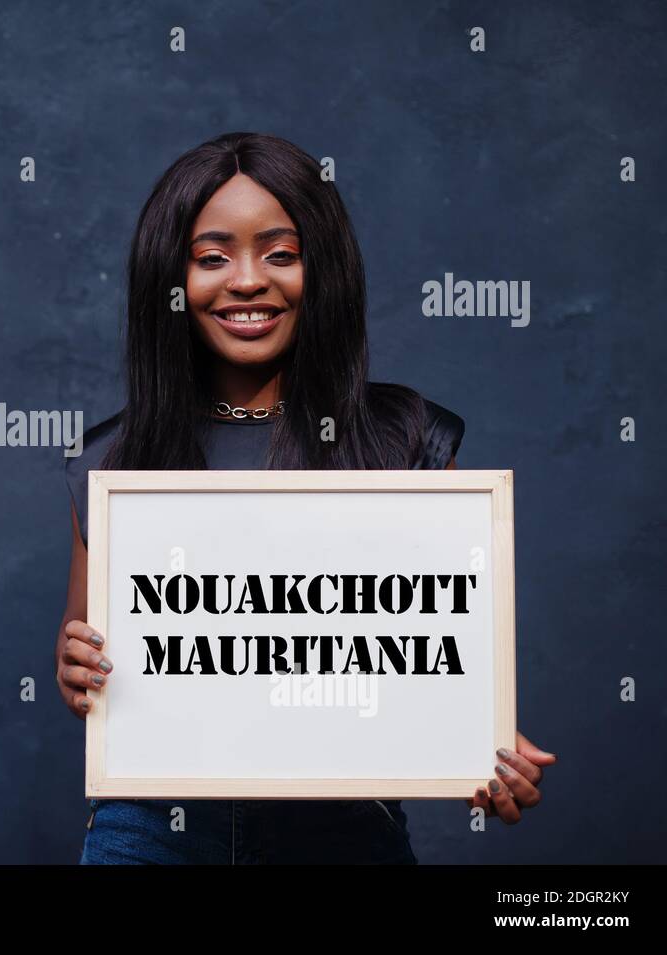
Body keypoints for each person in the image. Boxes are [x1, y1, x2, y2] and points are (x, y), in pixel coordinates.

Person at [56, 132, 555, 864]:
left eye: (281, 254)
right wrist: (77, 670)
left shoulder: (405, 438)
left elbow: (445, 652)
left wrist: (480, 739)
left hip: (341, 832)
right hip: (153, 830)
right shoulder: (113, 458)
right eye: (213, 256)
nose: (249, 280)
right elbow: (86, 649)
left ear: (323, 271)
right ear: (171, 277)